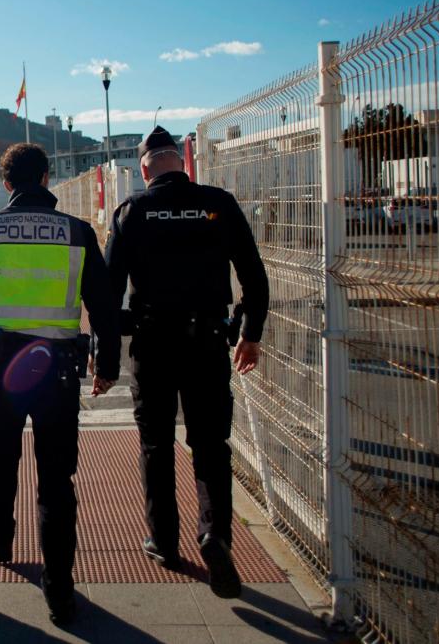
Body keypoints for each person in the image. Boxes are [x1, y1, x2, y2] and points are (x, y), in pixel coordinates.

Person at [0, 143, 120, 625]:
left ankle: (2, 539)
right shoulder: (78, 232)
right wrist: (107, 365)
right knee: (56, 479)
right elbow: (104, 308)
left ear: (6, 184)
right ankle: (59, 588)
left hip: (1, 369)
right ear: (46, 178)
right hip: (58, 370)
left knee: (1, 462)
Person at [104, 126, 269, 599]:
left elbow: (108, 288)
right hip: (208, 341)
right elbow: (254, 277)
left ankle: (164, 541)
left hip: (153, 343)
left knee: (156, 442)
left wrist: (108, 350)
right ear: (181, 162)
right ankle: (215, 534)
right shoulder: (219, 203)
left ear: (144, 169)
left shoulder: (132, 211)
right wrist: (251, 334)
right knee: (211, 444)